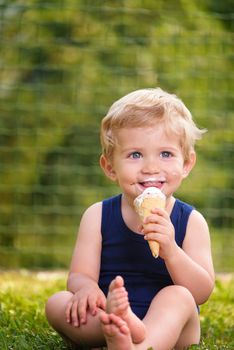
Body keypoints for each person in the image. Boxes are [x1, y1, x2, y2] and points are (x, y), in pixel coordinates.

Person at [45, 87, 215, 350]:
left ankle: (138, 343)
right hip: (112, 310)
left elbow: (201, 292)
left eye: (166, 154)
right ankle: (119, 330)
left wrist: (171, 250)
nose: (150, 167)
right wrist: (88, 290)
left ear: (186, 164)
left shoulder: (192, 221)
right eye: (135, 154)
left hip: (172, 325)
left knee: (178, 296)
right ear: (110, 167)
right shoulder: (97, 216)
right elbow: (79, 275)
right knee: (57, 303)